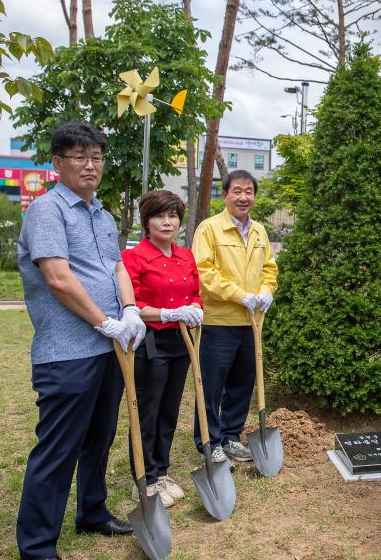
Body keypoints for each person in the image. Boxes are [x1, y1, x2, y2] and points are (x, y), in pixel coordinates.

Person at [16, 121, 145, 560]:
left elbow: (116, 268)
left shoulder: (103, 215)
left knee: (99, 438)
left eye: (96, 158)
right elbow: (57, 277)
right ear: (58, 163)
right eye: (79, 157)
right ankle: (36, 547)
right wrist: (103, 321)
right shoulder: (46, 211)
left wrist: (128, 311)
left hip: (109, 349)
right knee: (58, 449)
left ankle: (92, 511)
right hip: (67, 352)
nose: (90, 166)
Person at [121, 190, 204, 508]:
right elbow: (131, 304)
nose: (167, 222)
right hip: (150, 342)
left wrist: (195, 308)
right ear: (147, 221)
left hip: (181, 341)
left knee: (169, 411)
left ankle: (163, 470)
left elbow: (195, 292)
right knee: (148, 412)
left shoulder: (185, 256)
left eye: (172, 216)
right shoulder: (134, 258)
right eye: (159, 216)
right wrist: (166, 313)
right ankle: (144, 478)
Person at [191, 170, 278, 464]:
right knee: (212, 385)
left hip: (250, 322)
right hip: (218, 321)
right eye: (237, 191)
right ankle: (208, 441)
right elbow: (203, 273)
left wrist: (266, 290)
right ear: (225, 194)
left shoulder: (259, 231)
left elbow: (270, 268)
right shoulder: (209, 229)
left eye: (249, 191)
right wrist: (237, 293)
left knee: (243, 383)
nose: (244, 197)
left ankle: (230, 436)